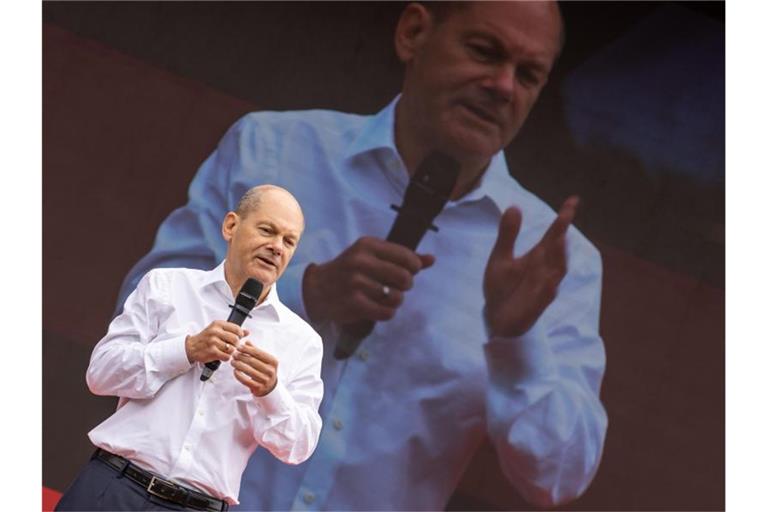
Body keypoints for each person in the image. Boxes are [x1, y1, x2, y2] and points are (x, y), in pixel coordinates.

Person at [115, 1, 608, 509]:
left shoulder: (553, 259)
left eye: (528, 75)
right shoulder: (272, 150)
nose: (504, 86)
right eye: (485, 52)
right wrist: (300, 291)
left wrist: (517, 342)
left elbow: (559, 476)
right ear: (414, 32)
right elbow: (136, 322)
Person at [57, 186, 324, 511]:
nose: (276, 247)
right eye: (267, 230)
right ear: (230, 226)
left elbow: (298, 447)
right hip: (114, 487)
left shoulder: (301, 341)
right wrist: (185, 350)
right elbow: (101, 374)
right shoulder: (166, 286)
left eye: (288, 241)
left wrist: (271, 391)